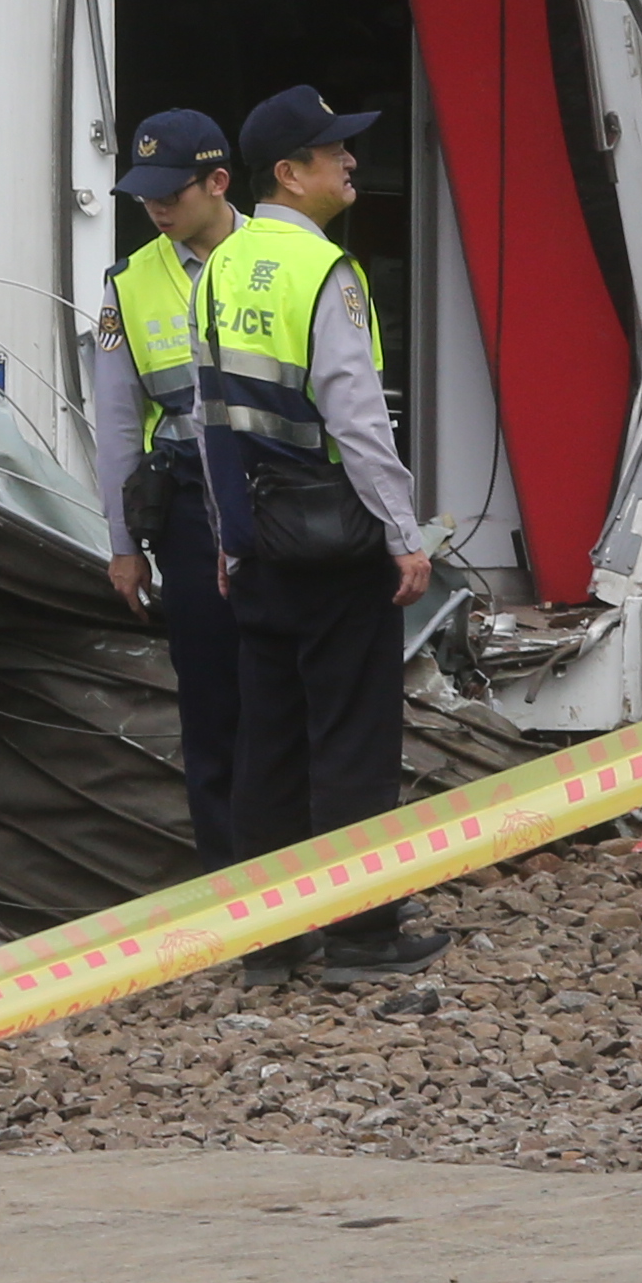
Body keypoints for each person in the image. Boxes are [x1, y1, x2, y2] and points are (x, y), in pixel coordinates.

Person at [201, 84, 440, 984]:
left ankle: (271, 939)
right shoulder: (328, 273)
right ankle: (361, 933)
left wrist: (229, 540)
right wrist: (402, 532)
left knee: (269, 739)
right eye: (333, 151)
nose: (351, 162)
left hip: (258, 541)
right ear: (290, 175)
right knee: (352, 736)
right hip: (336, 541)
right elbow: (358, 421)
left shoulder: (218, 266)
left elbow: (207, 416)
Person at [90, 107, 243, 865]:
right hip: (189, 512)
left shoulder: (291, 259)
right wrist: (123, 547)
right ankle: (234, 882)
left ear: (217, 183)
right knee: (211, 702)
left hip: (282, 500)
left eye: (170, 193)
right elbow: (118, 422)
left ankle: (316, 878)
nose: (155, 208)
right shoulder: (130, 282)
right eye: (143, 194)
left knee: (291, 694)